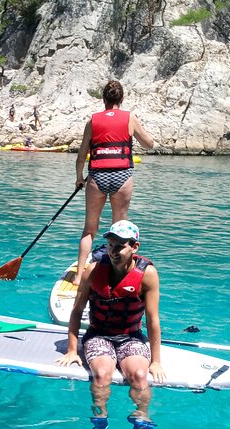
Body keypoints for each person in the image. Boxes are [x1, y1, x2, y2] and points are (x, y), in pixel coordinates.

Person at [55, 221, 165, 429]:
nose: (113, 252)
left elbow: (153, 320)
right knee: (102, 373)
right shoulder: (93, 270)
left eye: (119, 246)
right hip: (98, 335)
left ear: (134, 247)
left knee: (139, 375)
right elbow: (76, 311)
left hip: (130, 336)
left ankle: (141, 413)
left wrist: (156, 361)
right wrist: (71, 350)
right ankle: (100, 412)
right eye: (110, 245)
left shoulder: (148, 274)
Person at [73, 80, 155, 285]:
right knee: (119, 230)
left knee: (89, 230)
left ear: (104, 99)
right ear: (122, 98)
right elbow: (149, 144)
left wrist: (79, 178)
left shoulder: (92, 121)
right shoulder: (130, 118)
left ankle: (78, 277)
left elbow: (82, 154)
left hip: (97, 177)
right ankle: (115, 274)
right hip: (122, 176)